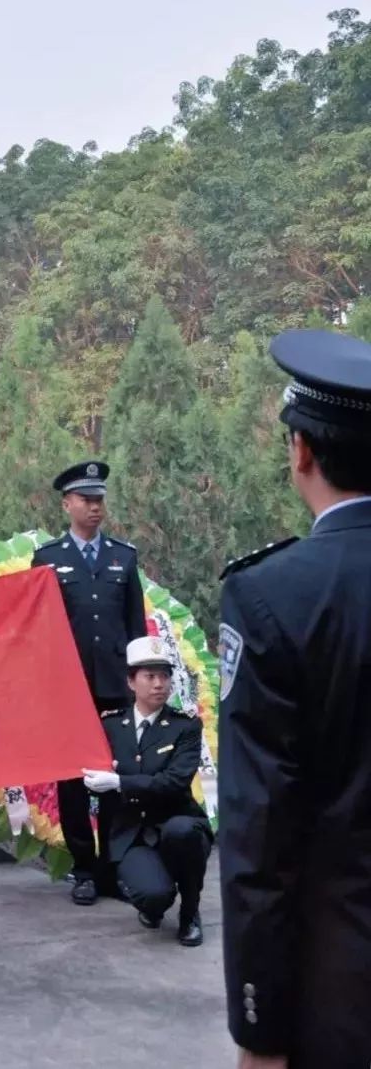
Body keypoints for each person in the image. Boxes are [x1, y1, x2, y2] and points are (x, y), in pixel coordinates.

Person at [219, 327, 371, 1069]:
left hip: (340, 997)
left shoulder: (274, 597)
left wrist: (259, 1026)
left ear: (300, 453)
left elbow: (260, 840)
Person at [32, 460, 146, 904]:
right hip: (69, 687)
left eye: (99, 500)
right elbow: (39, 629)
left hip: (117, 686)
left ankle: (112, 868)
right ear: (67, 504)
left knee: (115, 775)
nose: (95, 508)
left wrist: (140, 680)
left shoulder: (123, 556)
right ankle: (83, 869)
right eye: (86, 500)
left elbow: (135, 627)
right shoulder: (48, 559)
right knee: (74, 780)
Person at [82, 635, 212, 947]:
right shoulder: (110, 727)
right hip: (133, 834)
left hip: (177, 823)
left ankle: (190, 913)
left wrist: (120, 782)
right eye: (150, 676)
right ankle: (155, 903)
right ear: (131, 682)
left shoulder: (185, 727)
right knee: (153, 896)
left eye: (164, 676)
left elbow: (174, 782)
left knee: (182, 833)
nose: (159, 684)